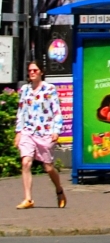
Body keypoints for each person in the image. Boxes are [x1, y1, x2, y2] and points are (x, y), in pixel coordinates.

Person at [15, 61, 66, 209]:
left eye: (35, 70)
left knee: (48, 167)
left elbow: (56, 111)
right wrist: (19, 132)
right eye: (30, 70)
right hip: (28, 131)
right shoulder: (25, 90)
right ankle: (28, 199)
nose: (32, 73)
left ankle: (59, 189)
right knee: (26, 162)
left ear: (41, 72)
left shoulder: (49, 89)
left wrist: (56, 130)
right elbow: (21, 112)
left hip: (45, 132)